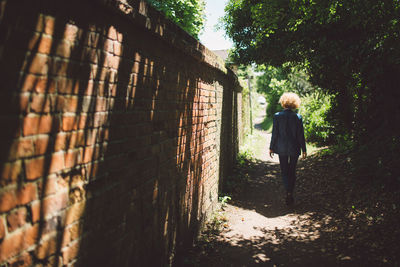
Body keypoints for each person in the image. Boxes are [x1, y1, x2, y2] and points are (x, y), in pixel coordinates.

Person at [269, 92, 307, 205]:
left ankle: (288, 192)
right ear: (295, 103)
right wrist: (304, 149)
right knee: (292, 171)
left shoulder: (277, 116)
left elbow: (274, 134)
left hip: (281, 148)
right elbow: (301, 135)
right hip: (294, 148)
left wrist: (271, 147)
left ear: (283, 102)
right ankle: (291, 191)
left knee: (284, 171)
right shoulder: (298, 117)